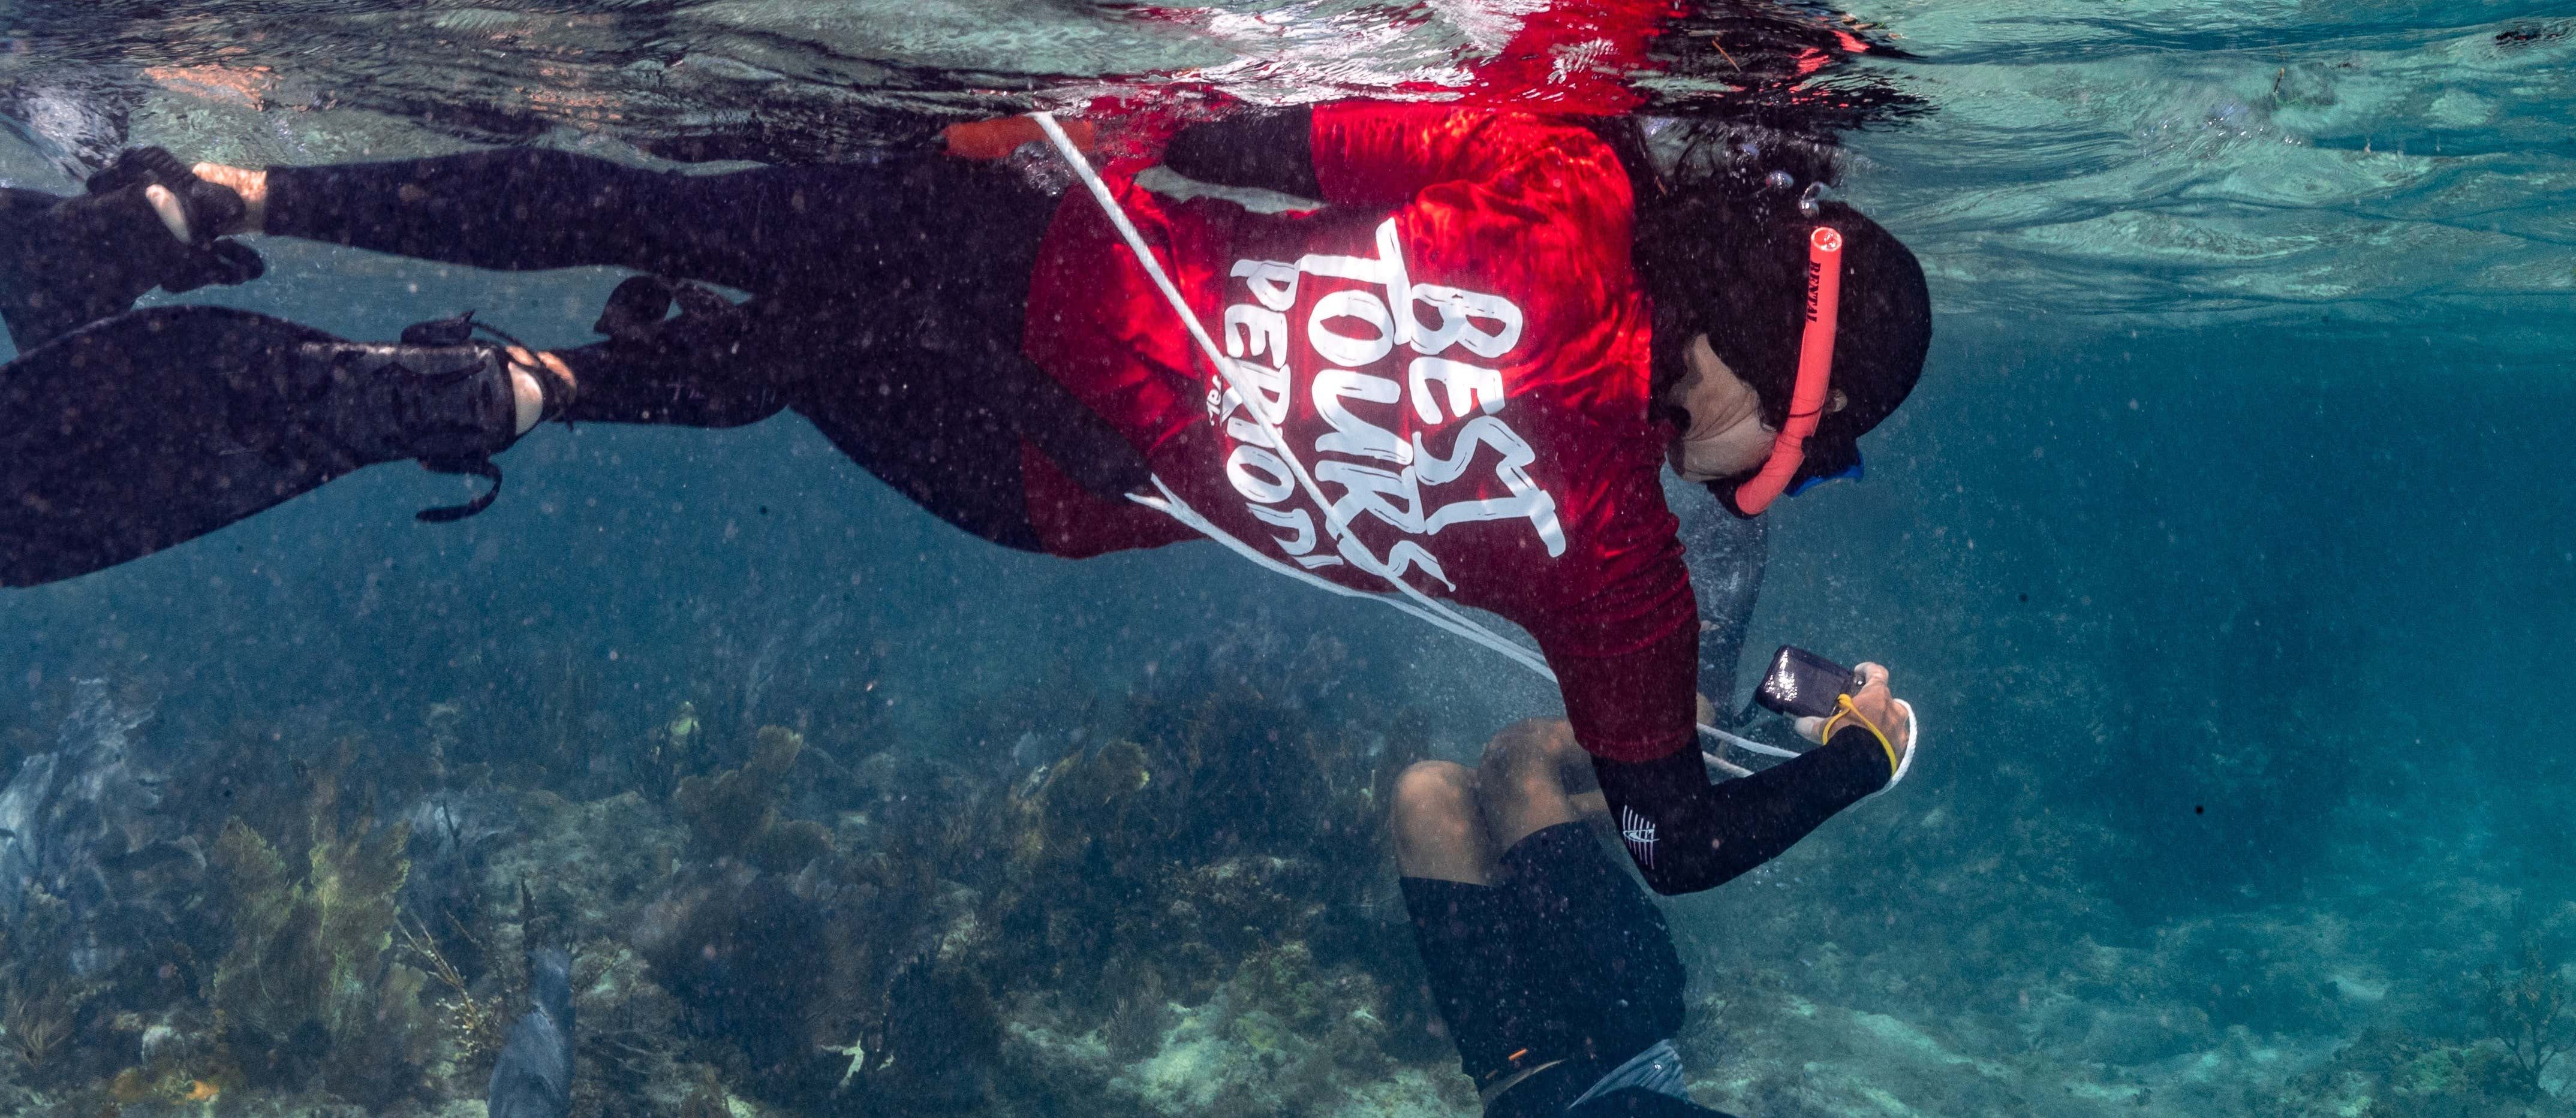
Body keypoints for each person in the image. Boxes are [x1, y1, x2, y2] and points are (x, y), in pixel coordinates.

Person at [0, 90, 1928, 893]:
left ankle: (225, 199)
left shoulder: (1554, 183)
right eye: (1814, 444)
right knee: (778, 350)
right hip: (1025, 476)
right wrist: (1857, 759)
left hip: (1034, 268)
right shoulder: (1620, 582)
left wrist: (1051, 125)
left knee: (694, 214)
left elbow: (1244, 128)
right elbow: (1670, 846)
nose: (1785, 484)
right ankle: (517, 392)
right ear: (1784, 353)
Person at [1392, 717, 1740, 1116]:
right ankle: (1683, 731)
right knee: (1516, 759)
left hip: (1514, 1073)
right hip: (1624, 1027)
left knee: (1427, 793)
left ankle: (1587, 809)